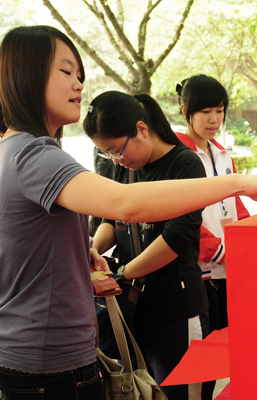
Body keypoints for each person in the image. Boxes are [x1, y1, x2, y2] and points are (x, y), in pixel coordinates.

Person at [0, 25, 257, 400]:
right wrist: (241, 183)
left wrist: (76, 256)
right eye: (65, 72)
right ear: (27, 76)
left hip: (14, 354)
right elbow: (124, 204)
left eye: (80, 74)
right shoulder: (37, 155)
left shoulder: (7, 149)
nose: (79, 84)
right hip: (49, 364)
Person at [83, 90, 210, 400]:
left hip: (175, 311)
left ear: (141, 129)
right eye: (107, 154)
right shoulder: (127, 166)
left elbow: (175, 239)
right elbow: (111, 218)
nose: (116, 160)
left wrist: (121, 274)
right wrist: (94, 250)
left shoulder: (185, 164)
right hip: (134, 309)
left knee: (180, 393)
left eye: (116, 150)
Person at [175, 75, 250, 399]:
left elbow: (236, 205)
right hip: (201, 273)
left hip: (230, 271)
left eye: (219, 111)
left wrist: (251, 242)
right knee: (202, 359)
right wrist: (219, 252)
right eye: (205, 111)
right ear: (185, 110)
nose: (214, 119)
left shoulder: (222, 153)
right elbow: (183, 215)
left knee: (229, 352)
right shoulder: (178, 154)